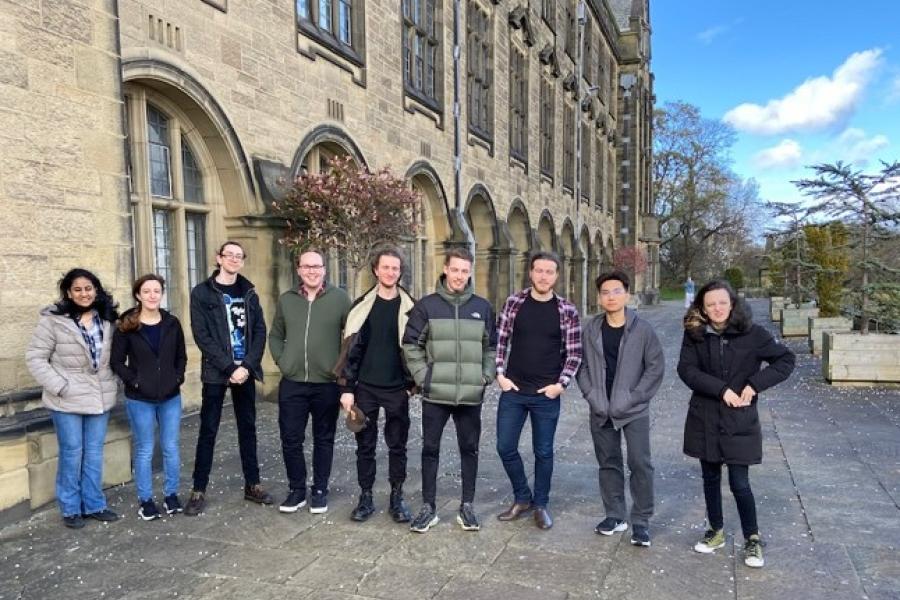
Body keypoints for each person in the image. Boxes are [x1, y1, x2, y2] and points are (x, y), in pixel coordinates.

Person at [677, 279, 795, 568]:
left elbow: (785, 360)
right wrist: (721, 389)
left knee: (739, 482)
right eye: (710, 304)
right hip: (704, 415)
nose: (717, 308)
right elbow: (686, 370)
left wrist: (754, 385)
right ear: (702, 308)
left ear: (732, 303)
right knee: (710, 477)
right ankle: (715, 530)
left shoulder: (753, 334)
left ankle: (752, 538)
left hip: (739, 419)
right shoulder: (695, 334)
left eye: (722, 302)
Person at [403, 247, 497, 533]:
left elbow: (491, 348)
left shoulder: (482, 307)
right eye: (454, 269)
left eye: (464, 271)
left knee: (469, 449)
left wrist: (485, 376)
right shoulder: (427, 306)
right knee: (430, 449)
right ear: (445, 269)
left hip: (470, 394)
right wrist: (424, 377)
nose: (459, 275)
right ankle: (428, 507)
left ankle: (467, 506)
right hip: (435, 394)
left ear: (470, 273)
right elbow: (410, 344)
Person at [25, 268, 121, 529]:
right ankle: (70, 508)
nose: (83, 293)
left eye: (88, 288)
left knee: (93, 453)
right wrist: (59, 385)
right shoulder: (53, 320)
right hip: (66, 398)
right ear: (68, 292)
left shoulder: (108, 319)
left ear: (96, 290)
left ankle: (94, 504)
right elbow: (35, 357)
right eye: (77, 289)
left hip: (100, 396)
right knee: (72, 453)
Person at [494, 251, 582, 530]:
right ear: (530, 273)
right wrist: (499, 374)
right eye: (539, 270)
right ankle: (522, 497)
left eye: (549, 271)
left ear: (556, 276)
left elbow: (574, 353)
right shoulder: (515, 302)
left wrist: (561, 385)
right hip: (514, 390)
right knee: (505, 446)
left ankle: (541, 503)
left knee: (543, 451)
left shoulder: (567, 310)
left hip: (546, 393)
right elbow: (500, 340)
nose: (544, 276)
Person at [576, 270, 664, 546]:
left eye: (616, 291)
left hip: (632, 408)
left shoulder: (643, 330)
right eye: (605, 292)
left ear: (626, 294)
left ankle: (641, 520)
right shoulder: (590, 328)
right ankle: (615, 515)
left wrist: (636, 397)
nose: (611, 296)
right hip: (600, 407)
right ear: (599, 298)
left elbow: (655, 368)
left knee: (640, 462)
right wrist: (591, 394)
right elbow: (582, 365)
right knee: (608, 462)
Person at [184, 241, 272, 515]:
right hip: (216, 372)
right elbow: (202, 336)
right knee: (208, 430)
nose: (234, 259)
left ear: (242, 261)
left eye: (239, 256)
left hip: (245, 370)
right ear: (218, 258)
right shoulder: (202, 293)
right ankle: (198, 490)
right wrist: (229, 368)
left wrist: (246, 365)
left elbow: (259, 331)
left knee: (248, 428)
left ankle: (253, 485)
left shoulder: (249, 292)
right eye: (229, 255)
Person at [336, 246, 416, 523]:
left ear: (399, 272)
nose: (390, 272)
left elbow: (419, 349)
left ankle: (397, 497)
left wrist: (412, 386)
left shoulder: (411, 308)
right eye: (386, 267)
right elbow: (349, 351)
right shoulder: (361, 307)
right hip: (365, 388)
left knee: (398, 446)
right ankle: (366, 497)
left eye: (395, 268)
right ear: (376, 270)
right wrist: (346, 388)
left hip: (397, 389)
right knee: (365, 446)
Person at [270, 249, 350, 515]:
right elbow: (275, 335)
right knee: (290, 438)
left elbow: (351, 339)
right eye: (307, 267)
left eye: (317, 266)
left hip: (326, 382)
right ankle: (296, 489)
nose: (312, 271)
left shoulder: (340, 299)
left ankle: (320, 489)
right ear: (299, 270)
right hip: (293, 382)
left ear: (324, 269)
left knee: (323, 438)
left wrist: (341, 372)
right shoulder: (287, 300)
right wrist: (284, 362)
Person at [110, 274, 187, 521]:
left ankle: (171, 495)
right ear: (138, 295)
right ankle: (146, 500)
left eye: (157, 291)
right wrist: (134, 381)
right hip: (139, 398)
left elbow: (181, 356)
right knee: (144, 449)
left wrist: (177, 378)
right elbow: (116, 361)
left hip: (170, 397)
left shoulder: (172, 323)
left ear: (161, 294)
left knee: (171, 447)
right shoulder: (127, 324)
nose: (152, 295)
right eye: (147, 291)